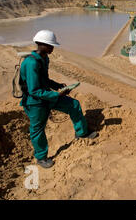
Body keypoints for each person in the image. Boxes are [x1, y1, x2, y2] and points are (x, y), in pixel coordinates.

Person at [20, 30, 97, 169]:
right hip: (36, 102)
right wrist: (57, 95)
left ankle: (82, 133)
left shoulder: (44, 59)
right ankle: (41, 157)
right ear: (41, 44)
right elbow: (34, 90)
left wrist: (57, 86)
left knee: (73, 105)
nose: (52, 48)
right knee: (37, 129)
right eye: (50, 45)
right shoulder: (31, 63)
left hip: (47, 96)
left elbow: (44, 80)